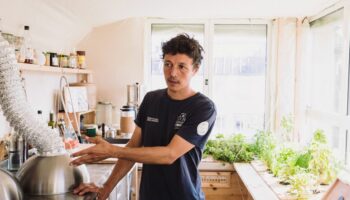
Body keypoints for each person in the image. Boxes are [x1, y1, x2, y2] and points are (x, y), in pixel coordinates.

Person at [71, 33, 217, 200]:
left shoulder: (203, 108)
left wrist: (111, 151)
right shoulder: (151, 99)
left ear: (195, 69)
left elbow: (169, 154)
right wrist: (106, 188)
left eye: (182, 66)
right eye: (167, 64)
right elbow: (132, 147)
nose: (173, 73)